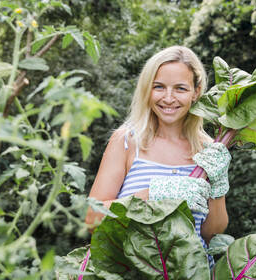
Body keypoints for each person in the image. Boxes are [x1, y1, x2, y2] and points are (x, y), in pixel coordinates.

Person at [85, 46, 231, 264]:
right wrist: (153, 194)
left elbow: (211, 235)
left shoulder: (210, 150)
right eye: (159, 87)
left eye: (180, 88)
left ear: (196, 92)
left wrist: (219, 185)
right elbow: (91, 218)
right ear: (147, 90)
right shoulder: (127, 141)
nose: (169, 98)